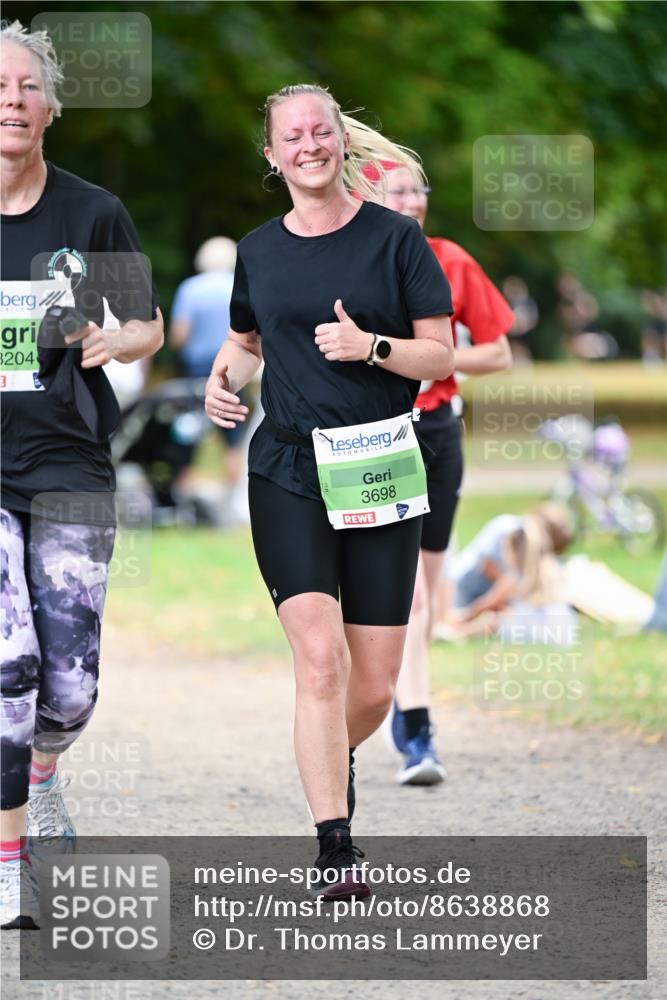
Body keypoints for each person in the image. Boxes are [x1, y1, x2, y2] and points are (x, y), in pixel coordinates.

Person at [204, 84, 454, 899]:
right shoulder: (258, 249)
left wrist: (369, 345)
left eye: (320, 131)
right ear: (271, 156)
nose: (308, 145)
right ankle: (334, 846)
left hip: (381, 460)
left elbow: (439, 357)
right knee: (319, 661)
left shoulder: (395, 241)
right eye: (291, 136)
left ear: (338, 143)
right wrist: (222, 381)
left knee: (373, 686)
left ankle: (330, 749)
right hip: (287, 469)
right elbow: (245, 339)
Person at [0, 20, 163, 929]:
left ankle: (47, 770)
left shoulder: (90, 209)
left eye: (25, 88)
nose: (11, 103)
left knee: (68, 684)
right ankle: (8, 859)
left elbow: (147, 326)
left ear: (51, 107)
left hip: (67, 459)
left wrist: (115, 335)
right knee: (8, 663)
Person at [368, 162, 513, 785]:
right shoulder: (357, 258)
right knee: (411, 595)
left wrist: (439, 358)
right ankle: (415, 729)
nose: (411, 201)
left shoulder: (450, 259)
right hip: (376, 435)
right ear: (370, 196)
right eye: (396, 190)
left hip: (436, 431)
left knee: (428, 585)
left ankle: (407, 714)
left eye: (418, 190)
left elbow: (499, 350)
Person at [169, 237, 250, 520]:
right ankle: (232, 507)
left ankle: (181, 503)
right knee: (232, 438)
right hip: (235, 368)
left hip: (197, 371)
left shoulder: (191, 289)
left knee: (187, 434)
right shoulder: (239, 285)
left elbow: (179, 336)